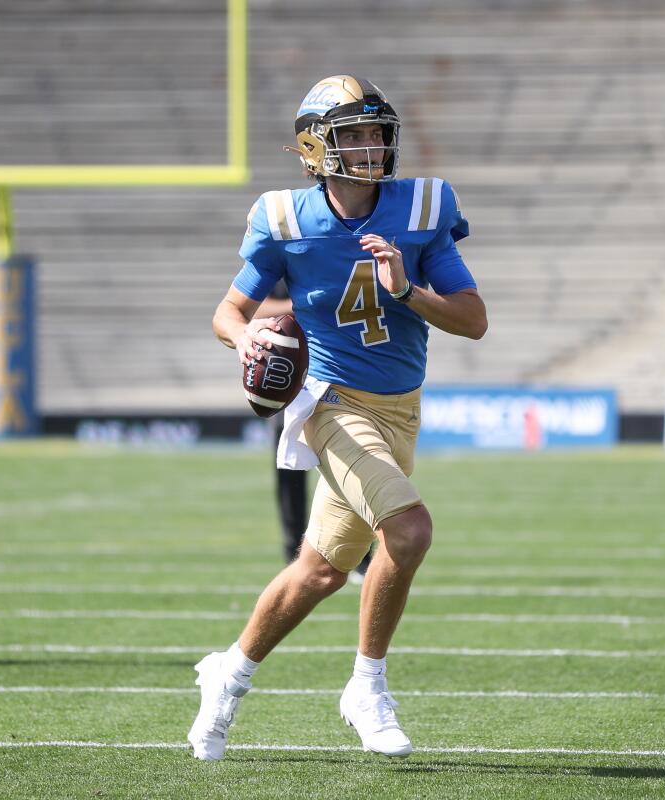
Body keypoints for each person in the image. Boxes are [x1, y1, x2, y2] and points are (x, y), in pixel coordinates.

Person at [190, 76, 487, 760]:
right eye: (352, 133)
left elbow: (473, 320)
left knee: (321, 571)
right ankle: (367, 686)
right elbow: (227, 312)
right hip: (330, 402)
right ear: (314, 146)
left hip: (400, 411)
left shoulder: (419, 210)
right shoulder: (286, 218)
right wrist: (247, 340)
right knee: (409, 531)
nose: (371, 145)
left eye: (376, 131)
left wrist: (407, 290)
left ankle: (227, 675)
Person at [259, 280, 372, 581]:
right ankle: (293, 553)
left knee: (353, 466)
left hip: (339, 374)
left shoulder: (339, 253)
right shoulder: (285, 248)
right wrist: (302, 306)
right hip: (293, 378)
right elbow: (255, 306)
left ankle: (359, 556)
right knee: (289, 472)